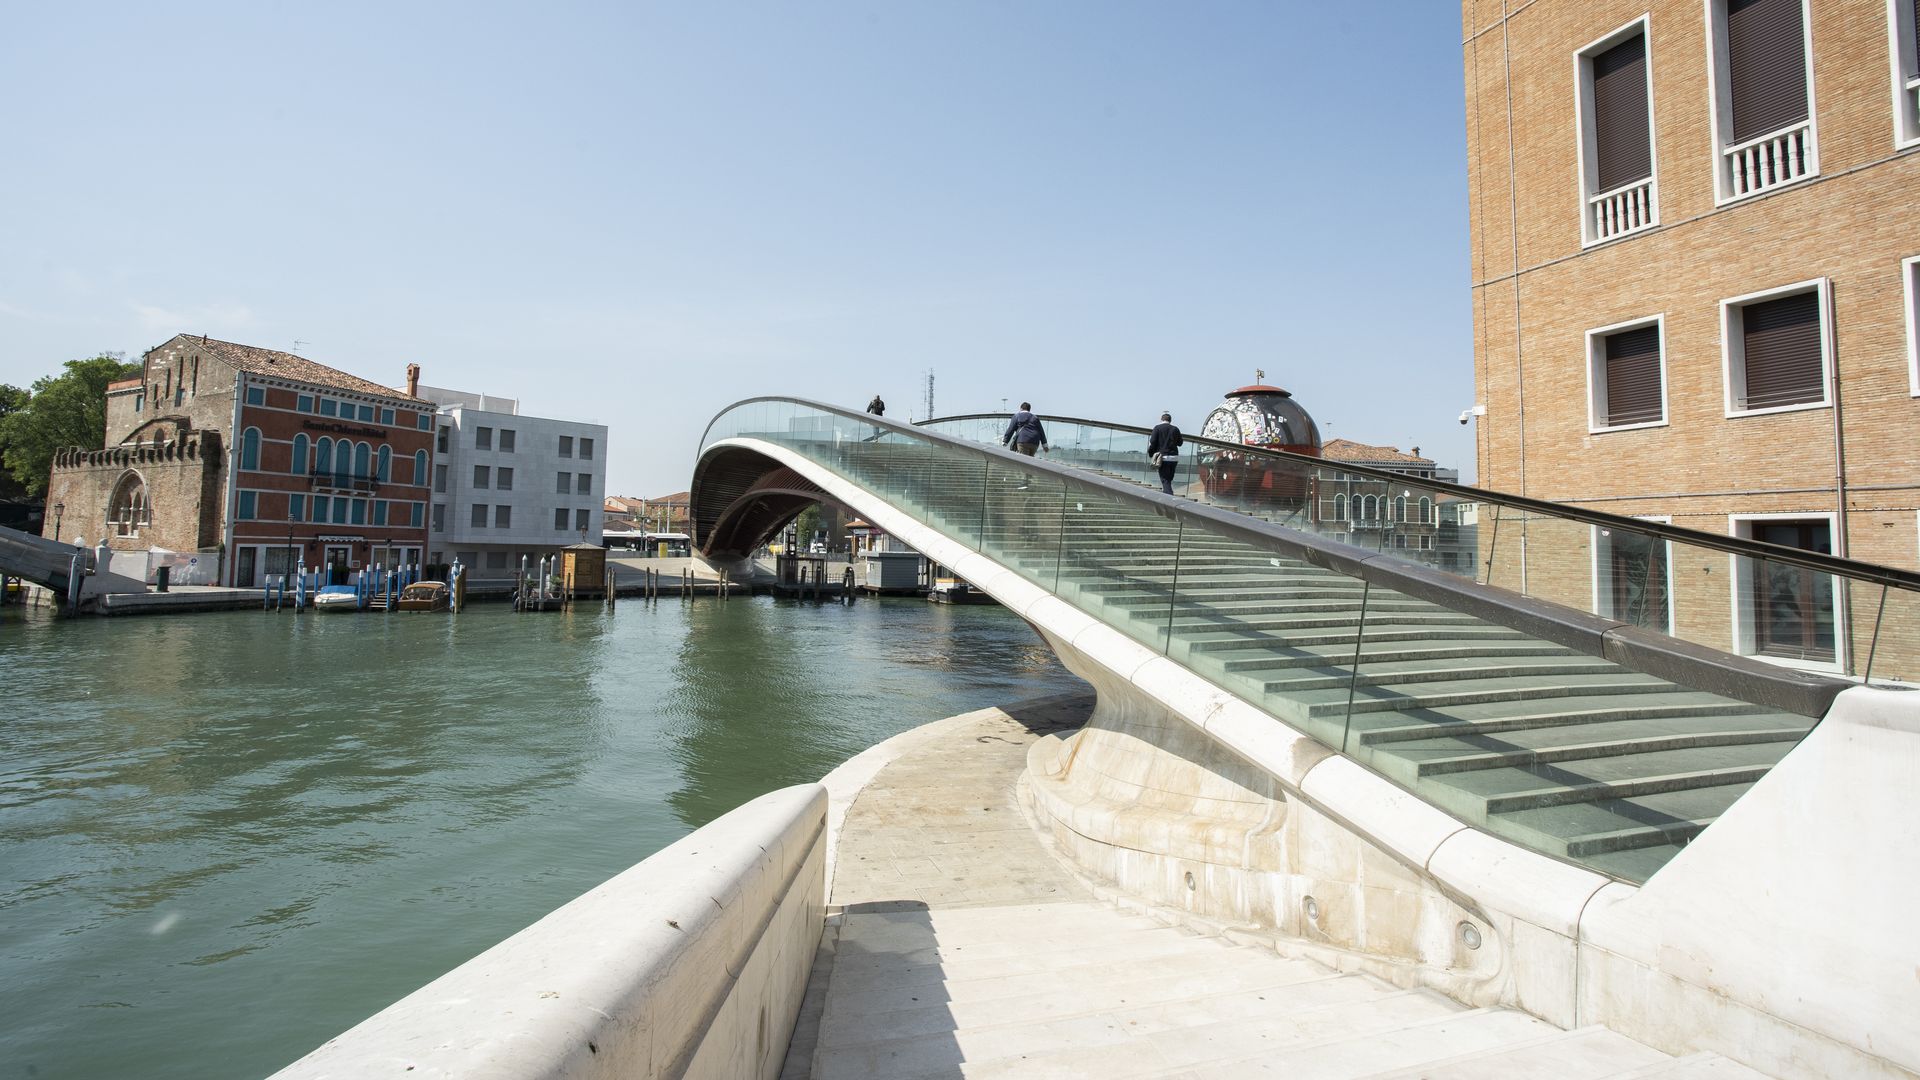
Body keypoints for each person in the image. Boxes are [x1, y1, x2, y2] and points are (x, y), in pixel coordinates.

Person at [1147, 411, 1183, 495]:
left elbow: (1153, 441)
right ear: (1170, 420)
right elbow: (1180, 443)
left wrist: (1151, 453)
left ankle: (1169, 498)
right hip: (1174, 458)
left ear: (1161, 419)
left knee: (1165, 480)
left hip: (1163, 458)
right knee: (1169, 479)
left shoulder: (1157, 428)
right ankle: (1167, 493)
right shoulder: (1175, 429)